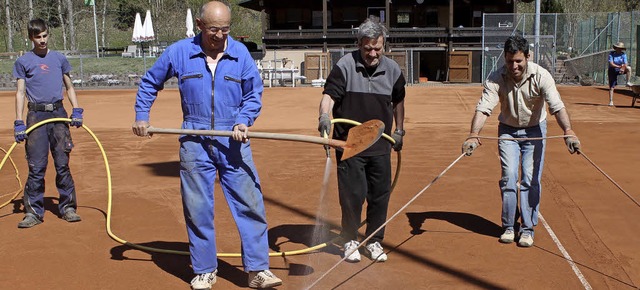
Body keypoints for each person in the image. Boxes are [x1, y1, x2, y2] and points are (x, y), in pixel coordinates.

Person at [131, 1, 281, 289]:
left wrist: (243, 120)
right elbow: (150, 82)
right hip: (194, 138)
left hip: (233, 139)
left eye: (225, 29)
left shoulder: (240, 53)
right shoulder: (179, 52)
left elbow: (254, 94)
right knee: (197, 207)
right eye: (214, 30)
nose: (220, 36)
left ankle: (258, 270)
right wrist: (141, 116)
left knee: (250, 204)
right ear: (199, 25)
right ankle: (204, 269)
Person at [462, 35, 581, 248]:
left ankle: (527, 228)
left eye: (518, 61)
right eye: (509, 61)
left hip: (535, 131)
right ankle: (508, 226)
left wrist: (568, 131)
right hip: (507, 131)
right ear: (505, 59)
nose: (514, 66)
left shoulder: (541, 76)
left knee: (529, 178)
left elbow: (556, 106)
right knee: (508, 177)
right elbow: (484, 108)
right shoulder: (496, 77)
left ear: (528, 56)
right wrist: (473, 133)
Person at [318, 15, 406, 263]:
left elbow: (398, 100)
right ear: (359, 45)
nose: (373, 54)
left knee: (380, 196)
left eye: (377, 49)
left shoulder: (393, 70)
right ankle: (349, 240)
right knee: (352, 196)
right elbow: (329, 96)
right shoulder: (345, 66)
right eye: (367, 49)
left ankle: (374, 241)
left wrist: (399, 130)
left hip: (380, 144)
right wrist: (324, 116)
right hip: (351, 145)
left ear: (384, 46)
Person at [12, 18, 84, 229]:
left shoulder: (59, 59)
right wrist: (18, 121)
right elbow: (20, 92)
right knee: (36, 166)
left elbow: (69, 86)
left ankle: (68, 207)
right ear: (31, 38)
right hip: (36, 116)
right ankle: (33, 212)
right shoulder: (23, 62)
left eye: (44, 36)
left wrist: (76, 109)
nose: (42, 40)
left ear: (47, 34)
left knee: (62, 163)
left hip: (59, 115)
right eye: (38, 37)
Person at [607, 42, 633, 106]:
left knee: (629, 68)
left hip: (621, 69)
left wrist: (623, 68)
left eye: (621, 48)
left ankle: (628, 82)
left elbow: (625, 63)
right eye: (619, 48)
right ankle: (611, 101)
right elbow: (611, 64)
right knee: (612, 87)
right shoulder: (611, 54)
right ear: (616, 48)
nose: (620, 49)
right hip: (612, 70)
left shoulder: (623, 54)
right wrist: (619, 67)